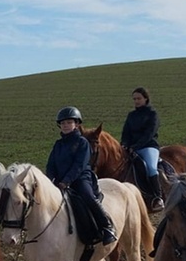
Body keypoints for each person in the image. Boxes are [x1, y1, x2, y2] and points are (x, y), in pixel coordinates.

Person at [46, 106, 117, 245]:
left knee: (88, 197)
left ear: (77, 124)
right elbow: (51, 164)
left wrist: (66, 181)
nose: (65, 125)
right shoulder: (58, 145)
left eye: (69, 122)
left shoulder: (82, 143)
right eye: (63, 123)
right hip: (60, 181)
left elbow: (79, 165)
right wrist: (50, 180)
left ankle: (107, 226)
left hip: (80, 179)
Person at [120, 87, 163, 212]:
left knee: (151, 167)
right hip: (132, 148)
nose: (136, 101)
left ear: (146, 98)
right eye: (134, 99)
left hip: (148, 146)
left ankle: (157, 197)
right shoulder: (131, 115)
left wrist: (136, 146)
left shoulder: (152, 114)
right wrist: (125, 144)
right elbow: (125, 133)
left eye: (139, 98)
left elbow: (149, 133)